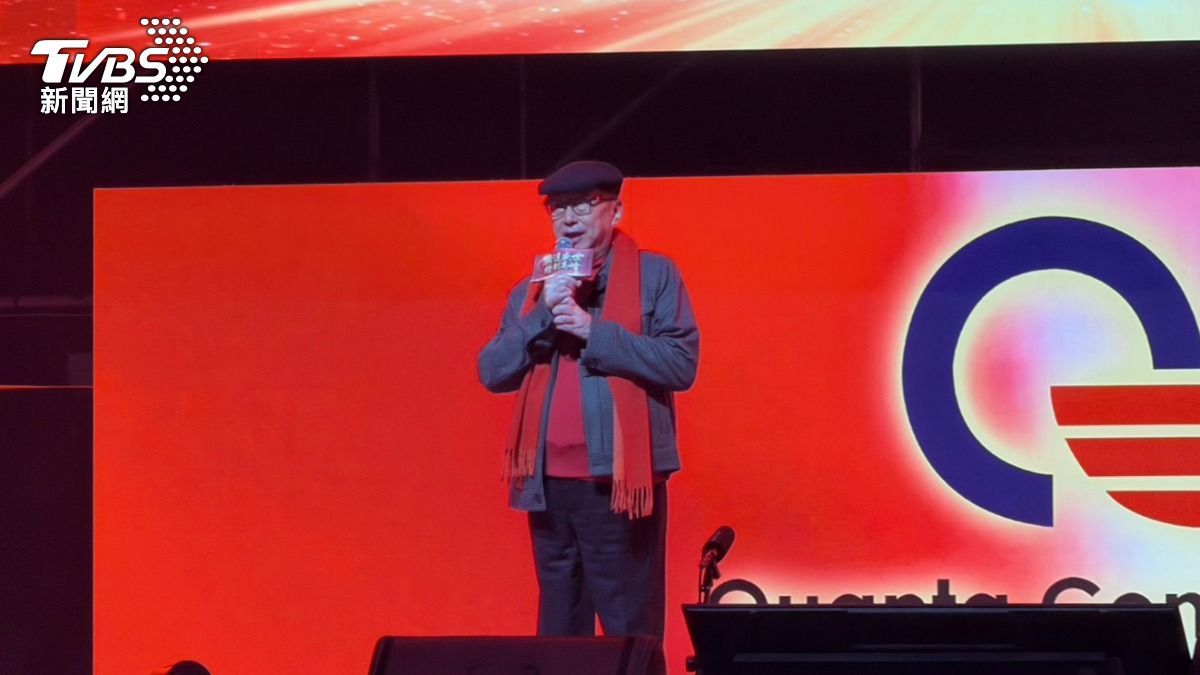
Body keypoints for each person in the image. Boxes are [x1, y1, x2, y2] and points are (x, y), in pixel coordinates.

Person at [478, 160, 699, 640]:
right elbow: (492, 372)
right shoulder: (533, 290)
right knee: (559, 633)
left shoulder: (654, 275)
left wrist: (591, 331)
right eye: (557, 209)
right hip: (547, 487)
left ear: (615, 211)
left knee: (628, 628)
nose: (569, 218)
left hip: (616, 485)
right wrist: (543, 315)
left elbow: (681, 364)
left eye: (583, 205)